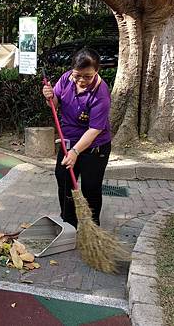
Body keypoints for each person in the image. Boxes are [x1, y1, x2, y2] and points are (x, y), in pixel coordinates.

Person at [42, 47, 112, 227]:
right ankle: (69, 223)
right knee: (64, 182)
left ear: (96, 71)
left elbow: (94, 130)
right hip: (68, 143)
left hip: (94, 148)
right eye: (77, 75)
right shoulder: (66, 79)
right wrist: (49, 96)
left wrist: (75, 152)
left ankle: (92, 227)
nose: (82, 80)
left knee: (91, 188)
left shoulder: (101, 93)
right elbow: (55, 102)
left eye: (87, 76)